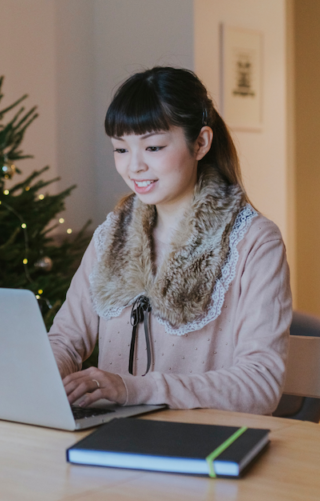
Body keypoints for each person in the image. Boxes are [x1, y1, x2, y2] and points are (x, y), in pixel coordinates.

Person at [48, 67, 291, 415]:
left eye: (153, 147)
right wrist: (47, 376)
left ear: (201, 143)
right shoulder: (110, 236)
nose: (134, 167)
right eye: (120, 149)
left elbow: (260, 385)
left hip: (205, 448)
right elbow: (65, 341)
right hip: (113, 440)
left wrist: (135, 389)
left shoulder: (254, 242)